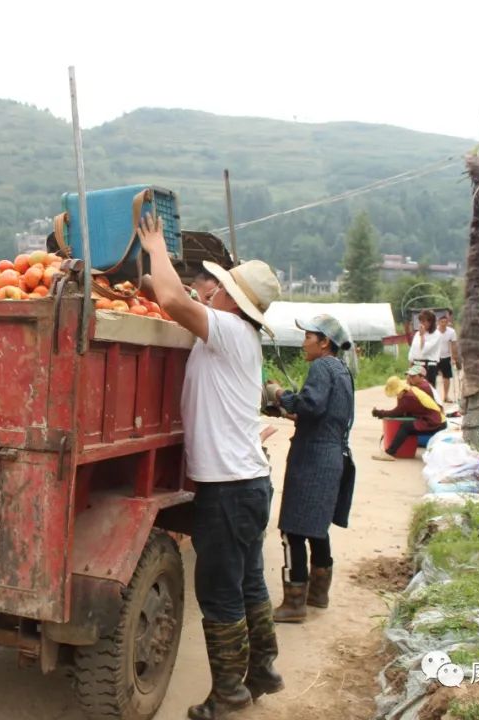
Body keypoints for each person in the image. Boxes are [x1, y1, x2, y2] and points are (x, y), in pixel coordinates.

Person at [138, 214, 283, 720]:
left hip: (229, 489)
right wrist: (145, 278)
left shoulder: (225, 330)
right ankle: (262, 669)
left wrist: (155, 244)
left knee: (220, 593)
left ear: (230, 300)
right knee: (248, 584)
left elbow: (176, 302)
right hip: (249, 484)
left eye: (219, 286)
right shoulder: (237, 335)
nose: (212, 291)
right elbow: (176, 299)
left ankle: (229, 696)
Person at [263, 315, 355, 624]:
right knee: (316, 528)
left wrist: (278, 395)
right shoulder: (342, 371)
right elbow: (323, 415)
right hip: (332, 456)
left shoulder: (321, 367)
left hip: (313, 459)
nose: (304, 343)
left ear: (324, 342)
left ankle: (294, 603)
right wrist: (288, 412)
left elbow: (311, 405)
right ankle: (318, 594)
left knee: (292, 530)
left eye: (308, 337)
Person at [370, 375, 447, 461]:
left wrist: (379, 413)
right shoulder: (410, 390)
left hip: (436, 422)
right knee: (409, 425)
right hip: (437, 419)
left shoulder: (408, 398)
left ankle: (389, 453)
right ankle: (401, 451)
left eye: (396, 393)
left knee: (406, 427)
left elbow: (395, 413)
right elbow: (402, 412)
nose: (396, 395)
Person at [408, 309, 441, 388]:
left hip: (429, 365)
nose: (421, 324)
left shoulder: (436, 334)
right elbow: (413, 350)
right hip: (417, 364)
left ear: (430, 322)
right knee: (416, 388)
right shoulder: (417, 334)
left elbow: (424, 349)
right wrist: (411, 365)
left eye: (424, 321)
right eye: (420, 321)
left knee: (428, 388)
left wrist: (422, 336)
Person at [436, 313, 461, 403]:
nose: (443, 324)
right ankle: (433, 397)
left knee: (446, 377)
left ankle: (446, 396)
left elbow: (454, 344)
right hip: (435, 357)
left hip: (446, 356)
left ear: (447, 323)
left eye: (445, 322)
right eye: (441, 322)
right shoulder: (434, 331)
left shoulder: (451, 332)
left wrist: (455, 357)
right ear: (438, 322)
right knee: (432, 377)